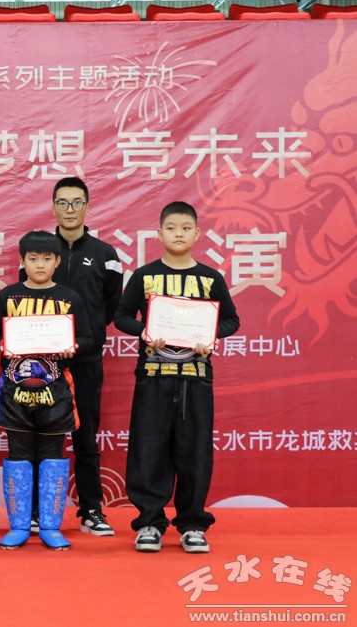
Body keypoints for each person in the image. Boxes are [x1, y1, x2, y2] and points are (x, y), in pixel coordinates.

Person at [114, 201, 239, 554]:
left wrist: (211, 335)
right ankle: (150, 522)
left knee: (194, 453)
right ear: (159, 233)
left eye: (185, 228)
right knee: (148, 450)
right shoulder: (144, 276)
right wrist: (143, 331)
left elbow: (231, 320)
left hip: (195, 378)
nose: (178, 234)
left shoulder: (210, 278)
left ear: (197, 234)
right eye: (171, 228)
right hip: (153, 376)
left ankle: (192, 524)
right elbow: (121, 315)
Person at [0, 231, 94, 550]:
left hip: (56, 391)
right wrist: (3, 342)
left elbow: (89, 338)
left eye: (47, 259)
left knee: (52, 457)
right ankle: (19, 525)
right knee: (18, 457)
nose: (40, 265)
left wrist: (72, 347)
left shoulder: (69, 297)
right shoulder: (8, 296)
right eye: (33, 259)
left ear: (57, 261)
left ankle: (49, 526)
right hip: (15, 391)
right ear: (22, 261)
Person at [34, 177, 123, 537]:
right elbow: (27, 296)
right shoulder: (39, 250)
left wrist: (84, 337)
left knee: (86, 436)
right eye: (62, 202)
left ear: (87, 207)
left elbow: (112, 306)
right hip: (42, 364)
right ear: (53, 207)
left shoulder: (106, 254)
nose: (69, 209)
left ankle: (91, 510)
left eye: (76, 203)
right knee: (42, 437)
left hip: (85, 360)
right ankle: (38, 511)